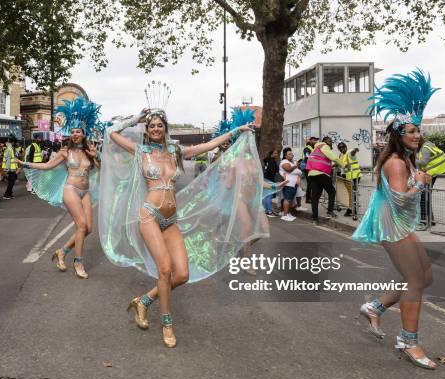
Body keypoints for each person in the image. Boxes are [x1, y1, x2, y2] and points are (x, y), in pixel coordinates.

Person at [102, 103, 276, 348]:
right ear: (147, 129)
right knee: (165, 270)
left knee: (181, 274)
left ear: (165, 129)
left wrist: (236, 131)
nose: (155, 129)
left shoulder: (175, 151)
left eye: (159, 125)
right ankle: (167, 323)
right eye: (151, 126)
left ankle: (144, 301)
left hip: (170, 219)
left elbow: (207, 146)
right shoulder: (140, 151)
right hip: (149, 215)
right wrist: (135, 119)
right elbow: (110, 133)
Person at [353, 68, 439, 370]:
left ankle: (375, 307)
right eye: (411, 131)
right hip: (392, 224)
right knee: (415, 280)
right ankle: (408, 340)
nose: (417, 135)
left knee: (424, 276)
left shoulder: (405, 159)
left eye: (418, 130)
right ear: (397, 135)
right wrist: (422, 182)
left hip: (400, 223)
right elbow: (402, 196)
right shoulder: (396, 163)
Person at [17, 97, 101, 279]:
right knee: (81, 226)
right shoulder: (65, 152)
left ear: (84, 134)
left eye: (78, 131)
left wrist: (97, 157)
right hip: (70, 189)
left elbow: (101, 169)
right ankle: (78, 261)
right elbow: (47, 166)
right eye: (72, 131)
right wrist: (25, 164)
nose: (75, 134)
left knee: (89, 229)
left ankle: (62, 252)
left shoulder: (89, 152)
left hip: (85, 191)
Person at [306, 136, 346, 224]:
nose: (331, 142)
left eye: (331, 141)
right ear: (325, 141)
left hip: (312, 174)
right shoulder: (324, 146)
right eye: (329, 141)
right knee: (332, 191)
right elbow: (334, 158)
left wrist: (332, 165)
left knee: (315, 197)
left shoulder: (316, 148)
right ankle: (330, 211)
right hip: (321, 174)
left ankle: (315, 219)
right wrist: (344, 165)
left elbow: (321, 161)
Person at [416, 139, 445, 228]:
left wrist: (413, 160)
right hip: (432, 172)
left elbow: (423, 162)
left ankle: (424, 220)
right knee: (426, 195)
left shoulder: (425, 148)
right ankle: (430, 220)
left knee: (424, 196)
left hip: (431, 172)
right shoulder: (428, 145)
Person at [279, 147, 302, 222]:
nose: (291, 155)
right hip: (288, 183)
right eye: (289, 154)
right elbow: (288, 169)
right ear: (285, 156)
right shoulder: (284, 162)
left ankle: (288, 213)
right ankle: (285, 215)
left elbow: (296, 171)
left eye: (292, 154)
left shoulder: (291, 162)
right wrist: (296, 165)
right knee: (287, 199)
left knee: (290, 199)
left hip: (293, 184)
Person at [337, 142, 361, 217]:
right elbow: (340, 164)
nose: (342, 149)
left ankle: (353, 210)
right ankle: (351, 209)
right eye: (340, 148)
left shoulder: (349, 152)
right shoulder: (341, 155)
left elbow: (352, 153)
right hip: (347, 176)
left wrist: (355, 150)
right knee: (350, 193)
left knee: (353, 193)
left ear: (346, 146)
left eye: (343, 147)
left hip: (354, 176)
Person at [262, 149, 280, 217]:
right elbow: (271, 171)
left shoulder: (267, 160)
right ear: (271, 154)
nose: (276, 154)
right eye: (275, 153)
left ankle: (266, 210)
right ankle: (269, 211)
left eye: (277, 153)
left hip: (265, 178)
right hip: (270, 180)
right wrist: (274, 181)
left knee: (266, 195)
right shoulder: (272, 161)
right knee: (269, 196)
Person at [300, 136, 318, 203]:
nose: (316, 141)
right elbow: (308, 157)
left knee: (312, 183)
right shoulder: (307, 148)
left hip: (311, 167)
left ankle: (310, 198)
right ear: (310, 141)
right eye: (314, 140)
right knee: (310, 183)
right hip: (307, 167)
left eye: (316, 140)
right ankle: (308, 199)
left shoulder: (313, 148)